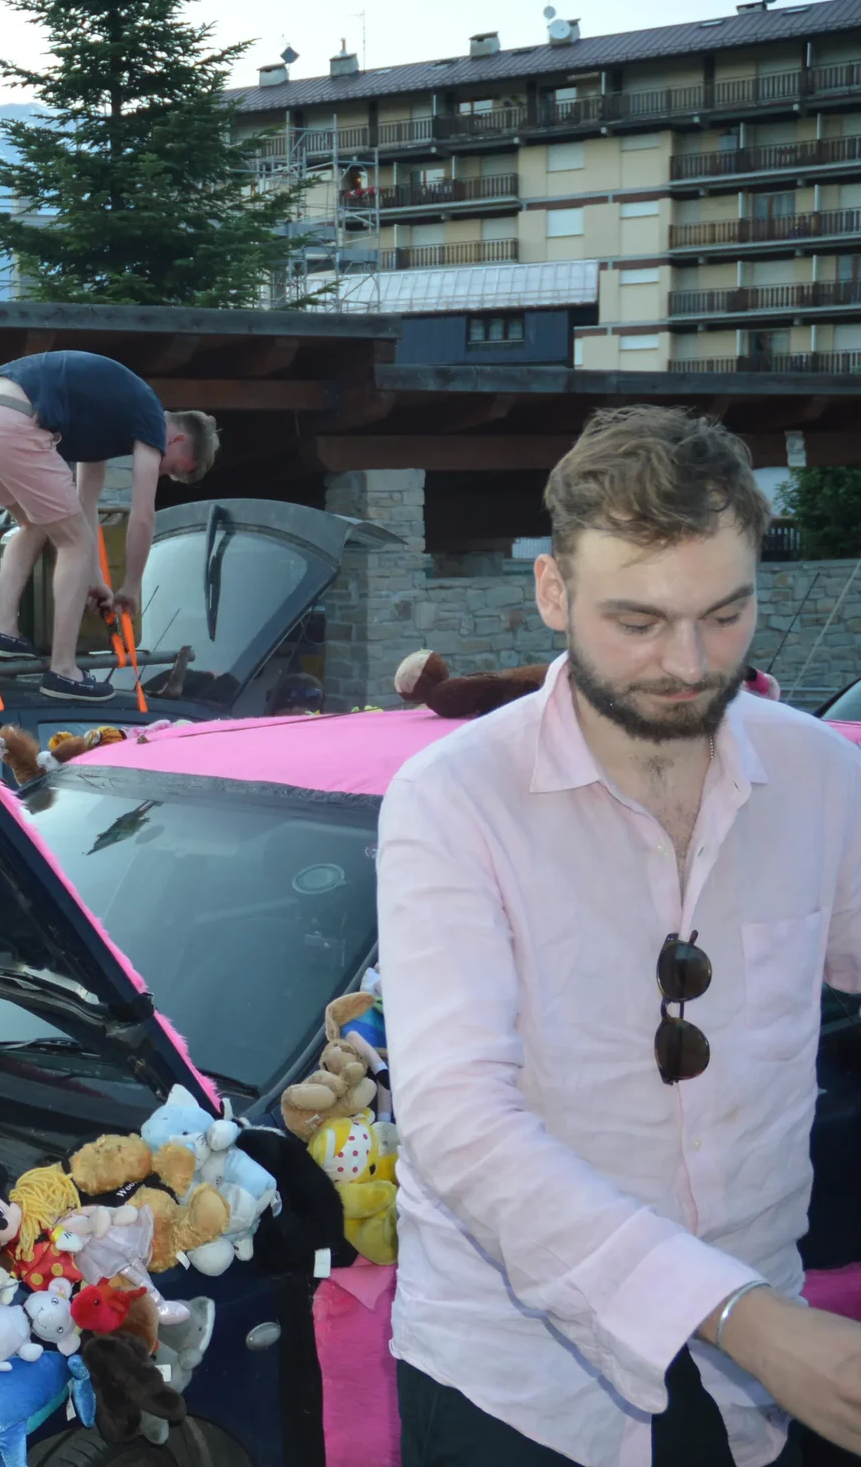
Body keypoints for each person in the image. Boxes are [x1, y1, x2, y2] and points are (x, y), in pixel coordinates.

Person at [378, 406, 861, 1466]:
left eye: (725, 616)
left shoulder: (821, 773)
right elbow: (458, 1122)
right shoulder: (451, 800)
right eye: (636, 623)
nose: (687, 664)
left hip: (760, 1381)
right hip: (517, 1381)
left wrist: (750, 1321)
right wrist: (734, 1315)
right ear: (552, 592)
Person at [0, 348, 216, 701]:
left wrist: (95, 579)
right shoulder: (150, 414)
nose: (169, 475)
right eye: (178, 468)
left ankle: (4, 633)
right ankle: (63, 670)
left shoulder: (109, 416)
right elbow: (143, 513)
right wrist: (132, 586)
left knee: (34, 524)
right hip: (11, 419)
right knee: (74, 542)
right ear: (178, 440)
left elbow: (83, 504)